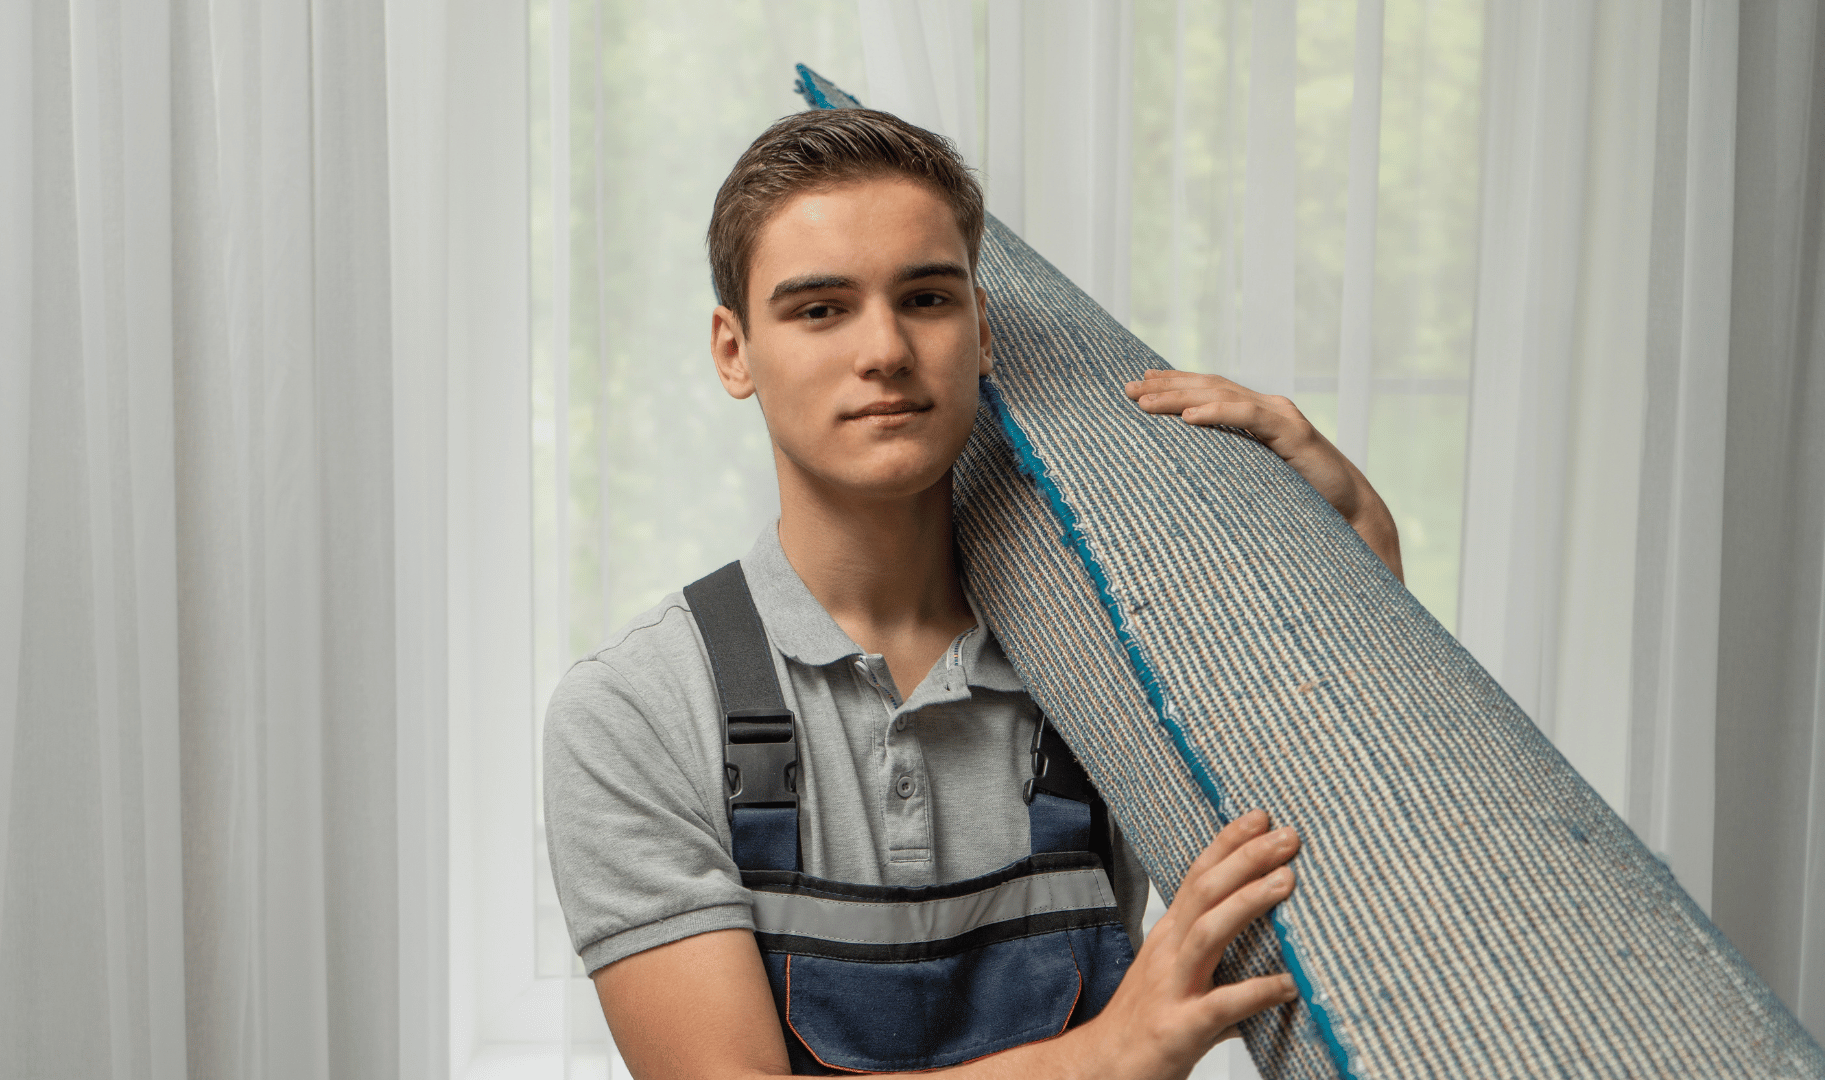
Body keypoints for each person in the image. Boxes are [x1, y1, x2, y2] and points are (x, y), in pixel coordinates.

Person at [543, 107, 1403, 1080]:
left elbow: (1340, 779)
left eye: (926, 299)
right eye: (820, 309)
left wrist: (1357, 529)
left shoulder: (1107, 658)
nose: (885, 349)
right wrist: (1104, 1059)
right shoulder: (635, 711)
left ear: (983, 331)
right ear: (733, 351)